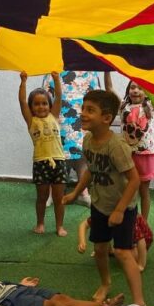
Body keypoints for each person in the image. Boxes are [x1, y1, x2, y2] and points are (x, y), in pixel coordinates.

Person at [62, 89, 145, 306]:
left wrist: (119, 210)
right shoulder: (88, 140)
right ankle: (105, 283)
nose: (83, 113)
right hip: (100, 204)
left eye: (90, 110)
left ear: (106, 118)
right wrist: (75, 193)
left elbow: (134, 180)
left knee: (123, 252)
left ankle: (139, 301)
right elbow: (90, 170)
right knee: (100, 249)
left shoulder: (116, 146)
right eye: (83, 108)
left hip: (123, 207)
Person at [42, 70, 112, 206]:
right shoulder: (54, 69)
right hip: (59, 116)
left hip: (83, 117)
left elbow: (98, 97)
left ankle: (83, 192)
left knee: (82, 152)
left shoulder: (90, 71)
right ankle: (52, 192)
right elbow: (46, 95)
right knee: (56, 153)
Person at [18, 71, 66, 236]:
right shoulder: (31, 121)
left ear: (50, 105)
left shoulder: (54, 116)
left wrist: (56, 79)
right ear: (31, 107)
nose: (41, 107)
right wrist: (23, 82)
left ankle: (59, 226)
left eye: (44, 103)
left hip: (59, 161)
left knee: (59, 198)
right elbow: (22, 102)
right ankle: (40, 223)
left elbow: (59, 97)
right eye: (37, 104)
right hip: (41, 162)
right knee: (42, 197)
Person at [119, 80, 154, 223]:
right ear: (128, 90)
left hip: (145, 155)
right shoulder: (123, 106)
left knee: (144, 190)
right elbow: (109, 87)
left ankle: (144, 222)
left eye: (140, 88)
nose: (136, 90)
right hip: (127, 155)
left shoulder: (150, 107)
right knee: (128, 190)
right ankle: (129, 220)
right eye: (132, 87)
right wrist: (107, 72)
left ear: (147, 93)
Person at [78, 211, 153, 272]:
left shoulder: (129, 218)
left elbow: (141, 240)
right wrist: (82, 242)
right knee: (102, 231)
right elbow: (83, 225)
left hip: (143, 240)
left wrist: (141, 265)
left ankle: (121, 251)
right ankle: (109, 250)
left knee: (122, 258)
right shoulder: (103, 213)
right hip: (124, 234)